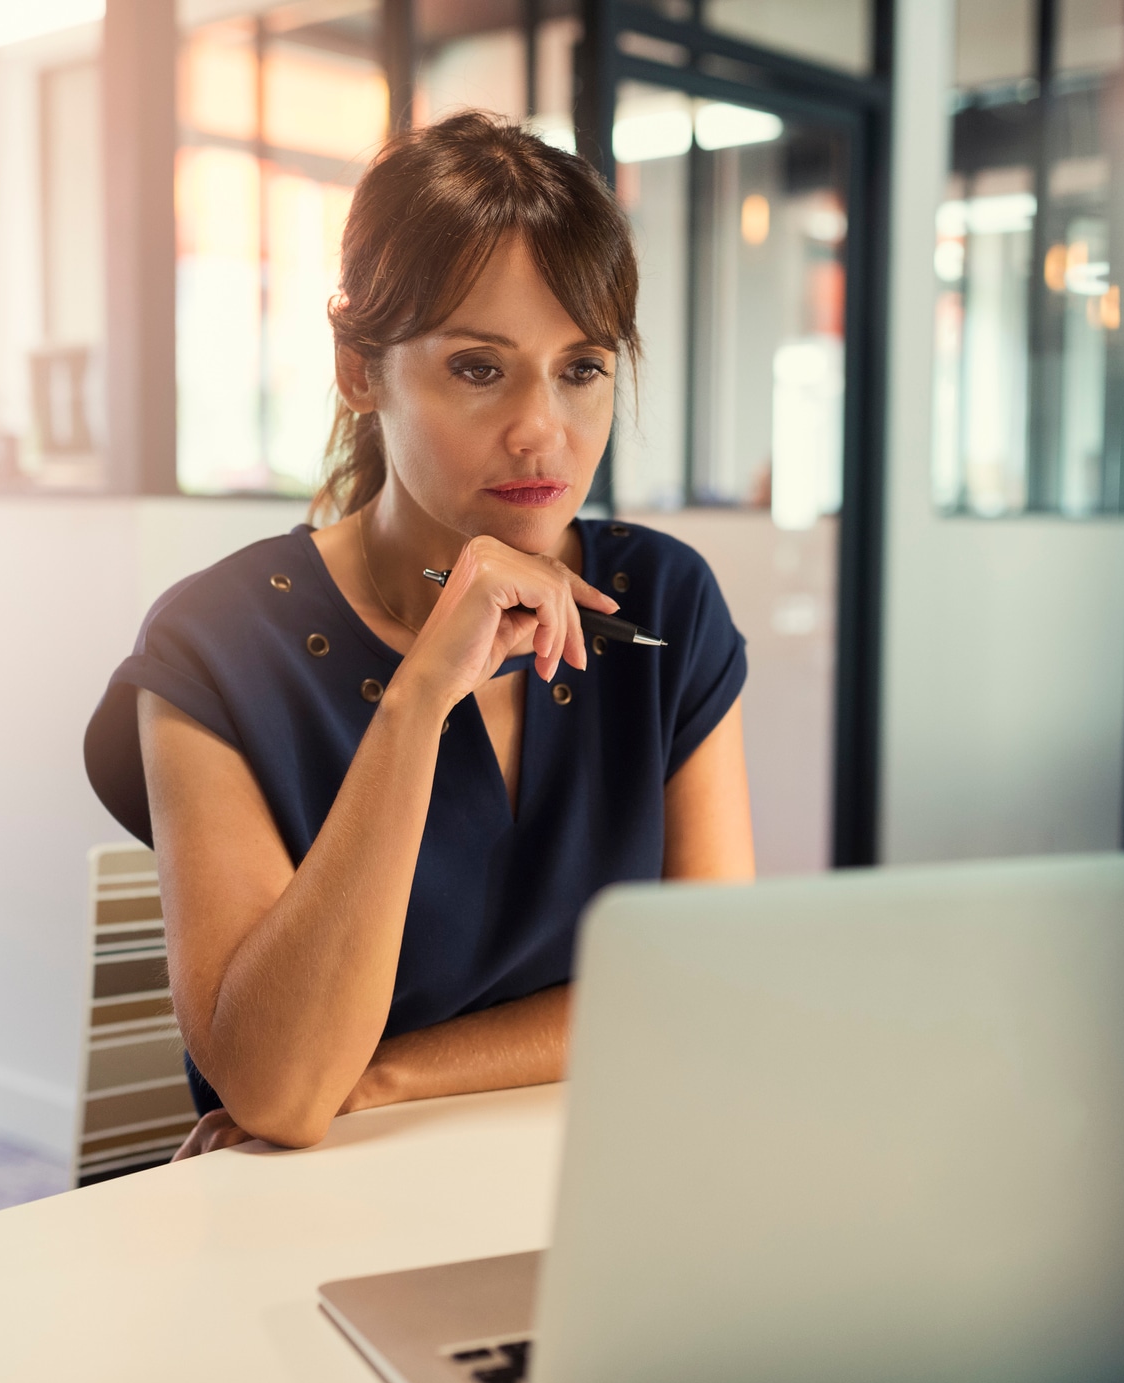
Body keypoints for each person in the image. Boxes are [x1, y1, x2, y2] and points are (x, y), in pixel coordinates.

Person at [84, 112, 754, 1153]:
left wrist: (391, 1075)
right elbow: (276, 1090)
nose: (544, 432)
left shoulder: (659, 605)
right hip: (302, 1232)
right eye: (480, 369)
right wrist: (415, 699)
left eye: (581, 368)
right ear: (360, 368)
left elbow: (707, 987)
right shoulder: (217, 645)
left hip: (588, 1183)